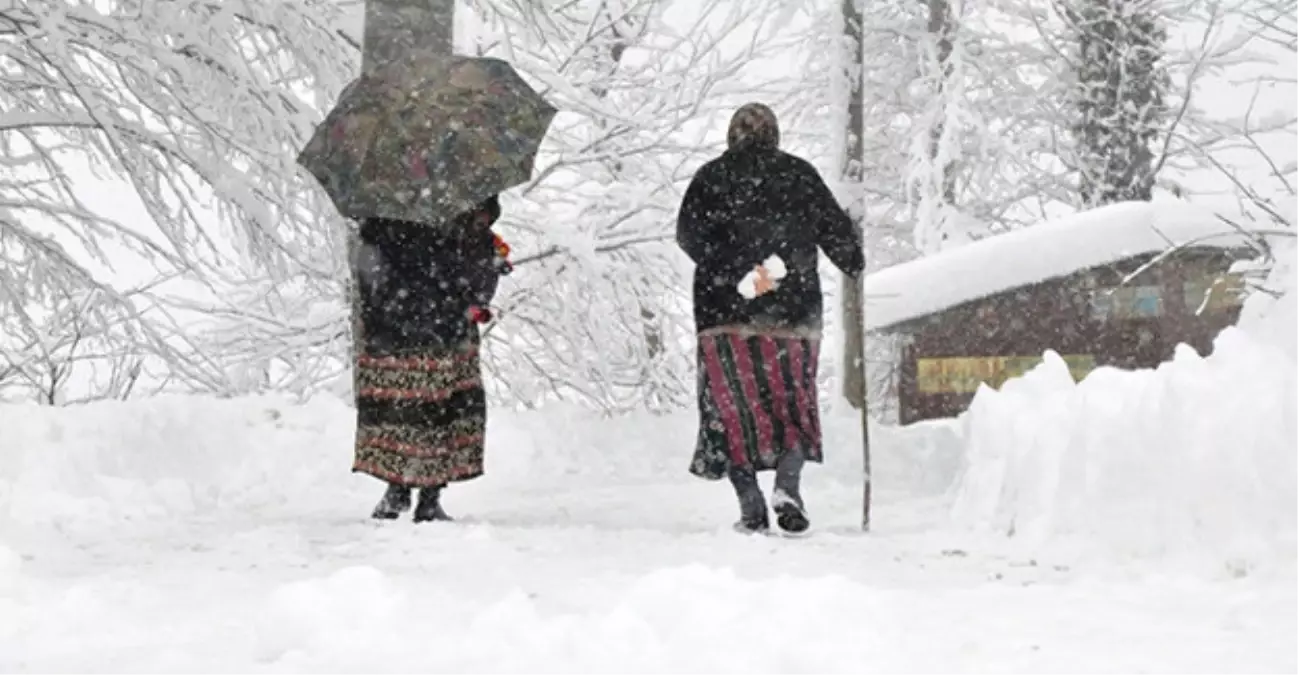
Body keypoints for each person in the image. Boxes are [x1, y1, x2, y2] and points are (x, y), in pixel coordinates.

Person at [675, 102, 865, 535]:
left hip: (725, 318)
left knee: (732, 412)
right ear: (775, 135)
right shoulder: (799, 175)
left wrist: (732, 273)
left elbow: (688, 235)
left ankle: (751, 507)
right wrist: (852, 251)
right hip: (792, 317)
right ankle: (788, 487)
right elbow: (838, 238)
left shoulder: (710, 178)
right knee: (793, 406)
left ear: (731, 136)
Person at [351, 195, 512, 522]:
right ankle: (420, 497)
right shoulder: (435, 216)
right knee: (434, 413)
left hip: (400, 336)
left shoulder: (385, 213)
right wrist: (480, 268)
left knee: (410, 413)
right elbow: (442, 280)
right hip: (432, 334)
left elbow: (373, 276)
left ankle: (403, 493)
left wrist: (487, 262)